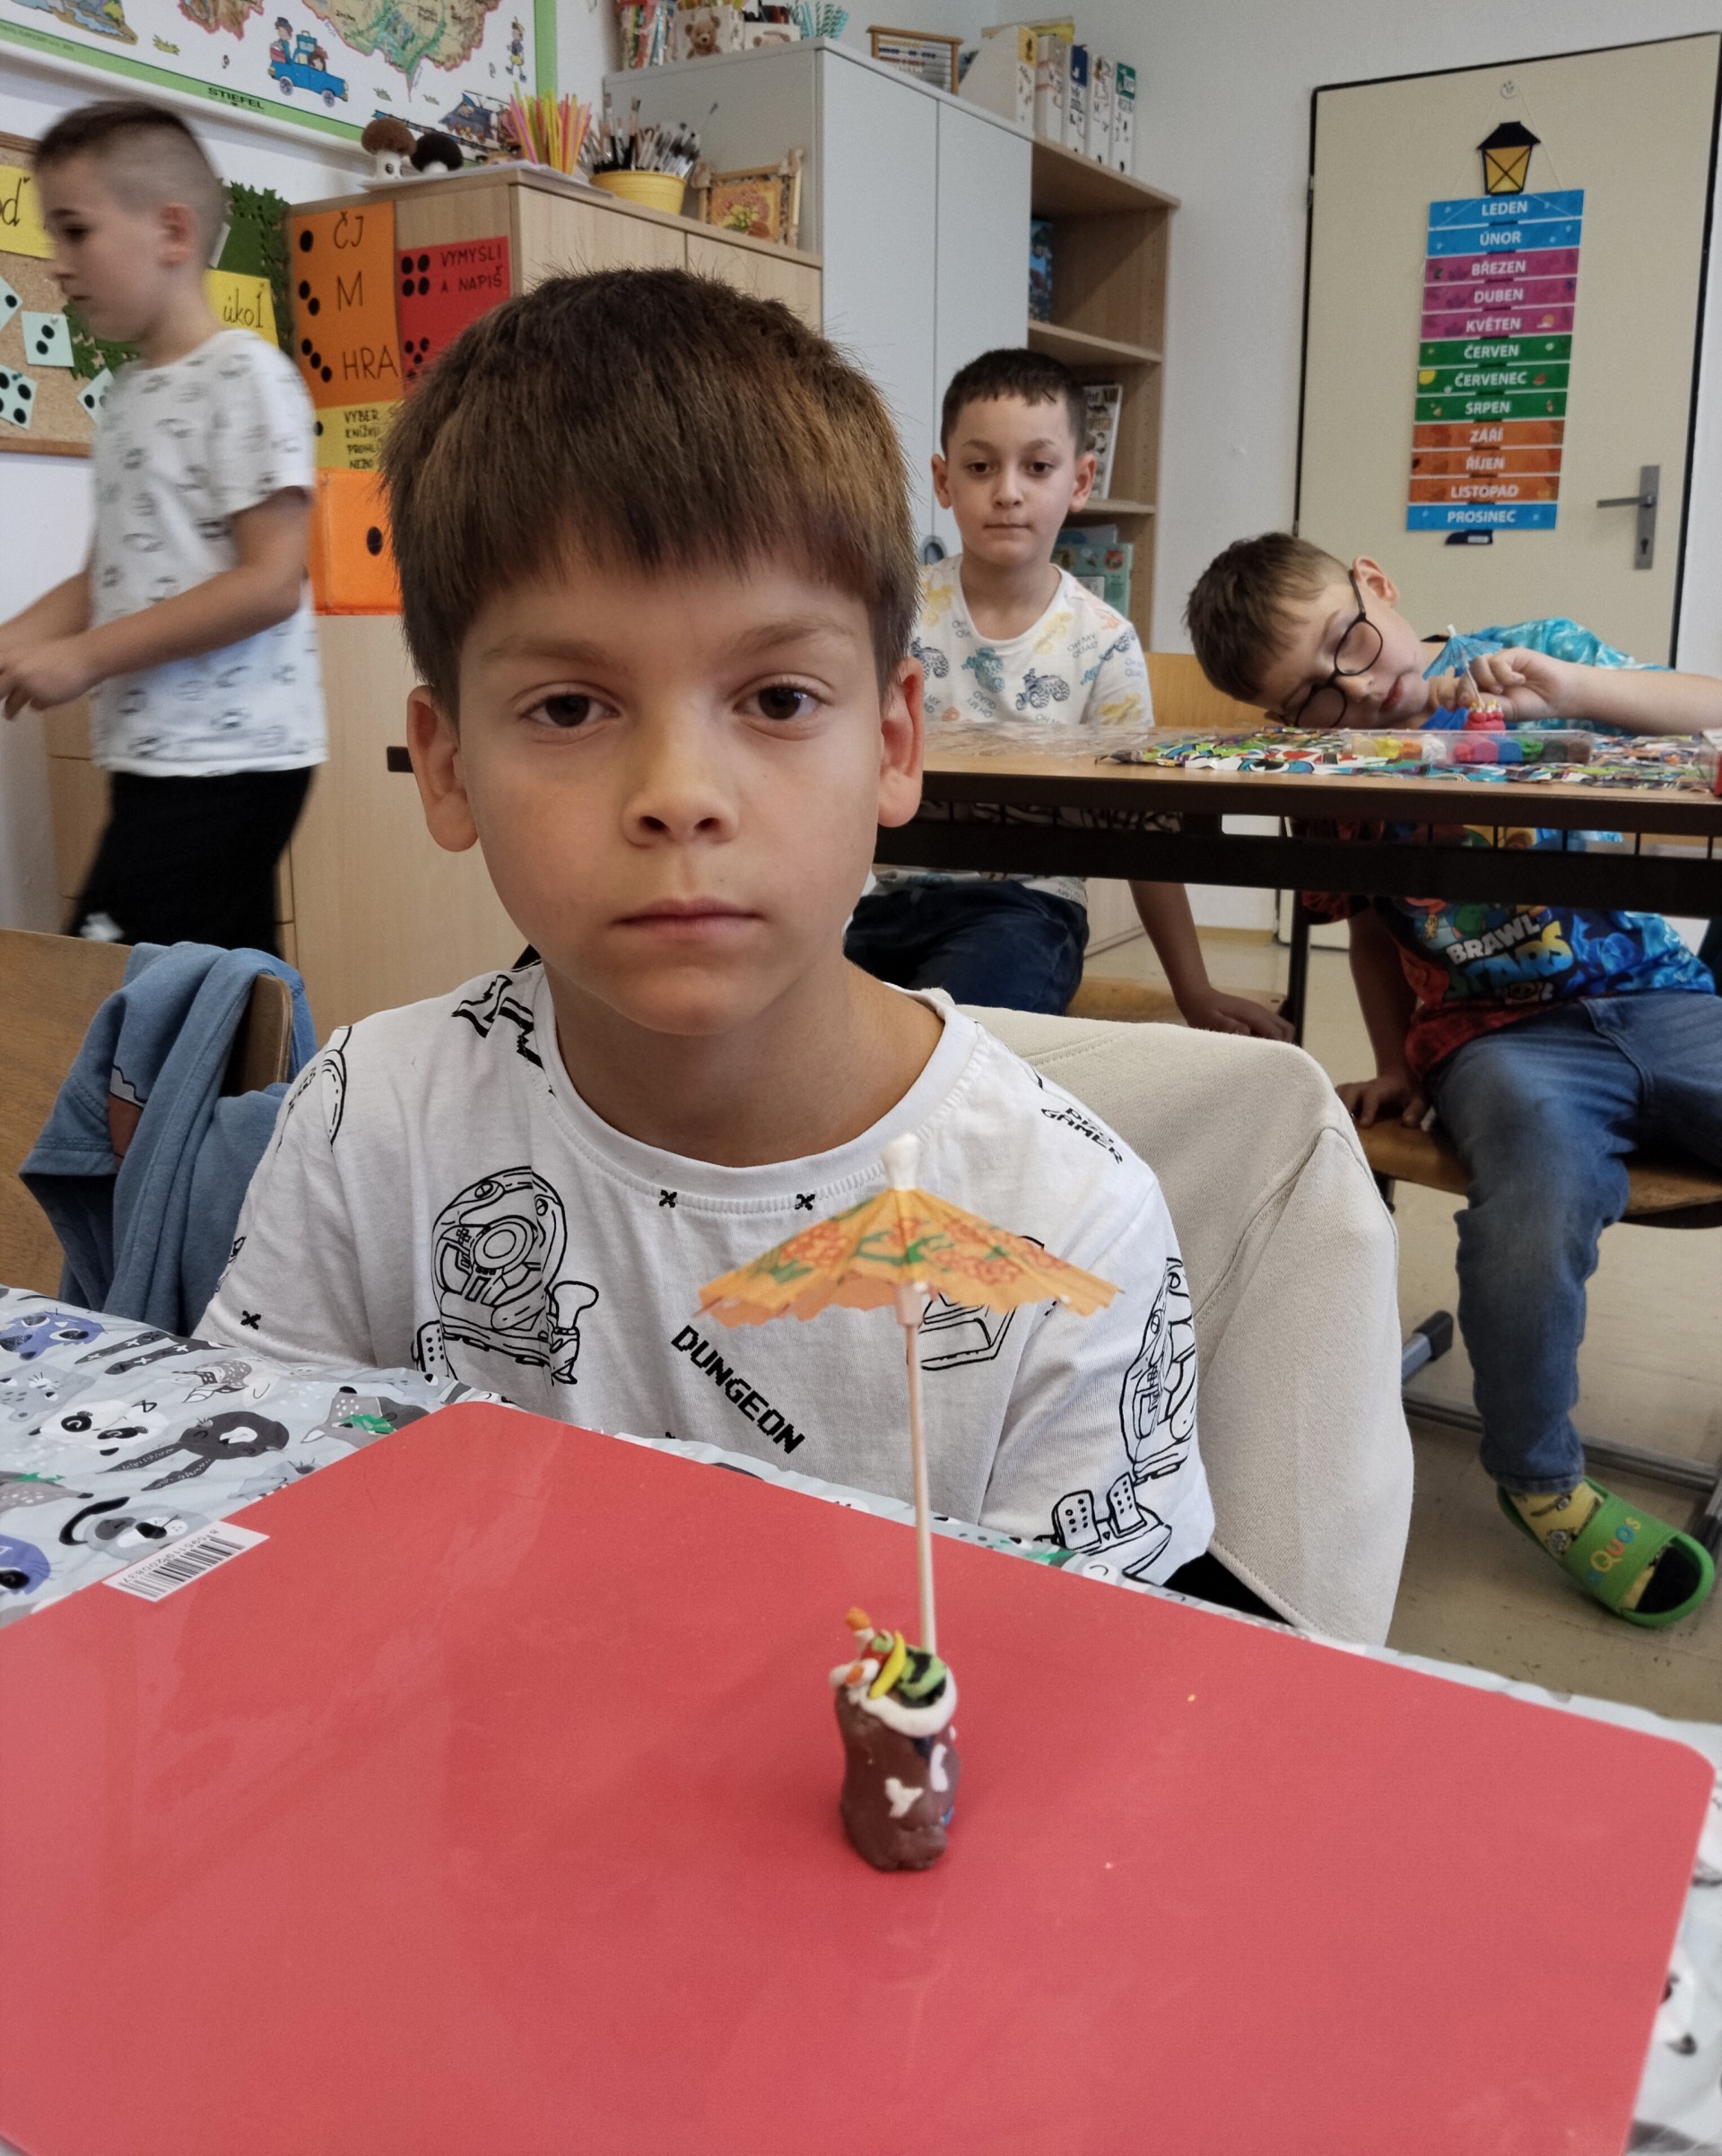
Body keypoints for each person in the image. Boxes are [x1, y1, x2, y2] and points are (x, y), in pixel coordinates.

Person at [200, 269, 1240, 1606]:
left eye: (779, 697)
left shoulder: (1069, 1228)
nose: (680, 793)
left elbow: (1090, 1691)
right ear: (446, 765)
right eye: (569, 707)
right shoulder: (365, 1123)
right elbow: (255, 1551)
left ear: (894, 742)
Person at [1186, 530, 1722, 1627]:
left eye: (1350, 641)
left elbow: (1708, 709)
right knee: (1532, 1191)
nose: (1356, 690)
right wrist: (1396, 1063)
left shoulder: (1535, 653)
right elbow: (1371, 931)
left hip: (1664, 997)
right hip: (1498, 1041)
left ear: (1376, 583)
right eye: (1312, 698)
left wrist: (1572, 690)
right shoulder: (1330, 775)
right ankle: (1541, 1480)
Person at [842, 350, 1292, 1035]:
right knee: (809, 1040)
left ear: (1080, 480)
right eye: (980, 467)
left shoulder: (1102, 642)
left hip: (1027, 910)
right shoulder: (894, 612)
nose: (1008, 492)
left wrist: (1194, 990)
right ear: (942, 479)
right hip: (884, 903)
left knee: (958, 1039)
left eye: (1037, 467)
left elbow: (1144, 829)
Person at [0, 100, 322, 954]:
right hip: (156, 754)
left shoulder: (246, 377)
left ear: (172, 231)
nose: (57, 261)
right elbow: (102, 578)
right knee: (220, 993)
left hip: (232, 758)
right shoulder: (132, 395)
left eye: (75, 231)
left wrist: (83, 658)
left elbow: (270, 584)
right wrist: (19, 644)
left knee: (104, 983)